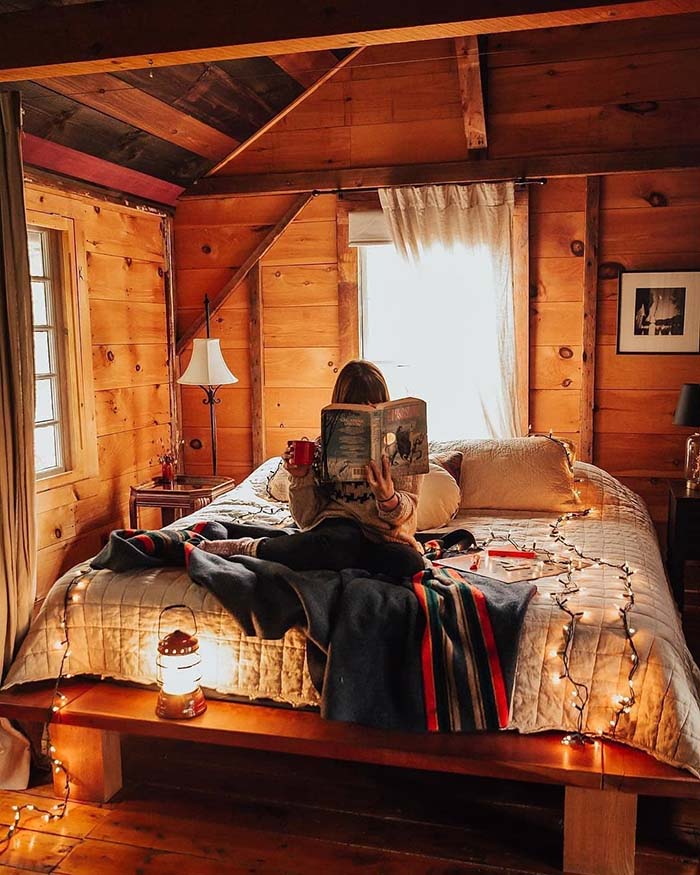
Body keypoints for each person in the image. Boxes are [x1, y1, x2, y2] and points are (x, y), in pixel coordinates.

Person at [200, 360, 425, 578]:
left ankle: (289, 545)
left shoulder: (404, 448)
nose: (365, 409)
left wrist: (388, 498)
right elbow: (306, 519)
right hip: (337, 532)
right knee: (341, 543)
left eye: (372, 402)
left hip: (384, 537)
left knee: (409, 562)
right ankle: (249, 548)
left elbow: (405, 516)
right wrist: (301, 477)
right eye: (355, 404)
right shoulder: (323, 446)